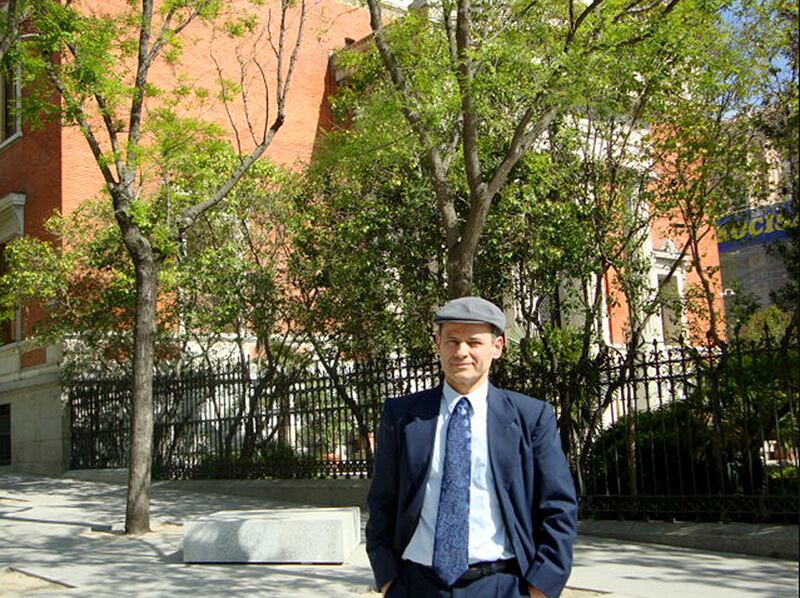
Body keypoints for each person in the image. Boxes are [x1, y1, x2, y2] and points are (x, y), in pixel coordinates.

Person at [365, 296, 578, 598]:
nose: (461, 352)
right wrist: (388, 579)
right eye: (452, 341)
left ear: (497, 347)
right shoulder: (402, 416)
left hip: (501, 585)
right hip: (416, 584)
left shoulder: (531, 417)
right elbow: (382, 501)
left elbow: (558, 506)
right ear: (438, 344)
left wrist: (540, 587)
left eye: (474, 342)